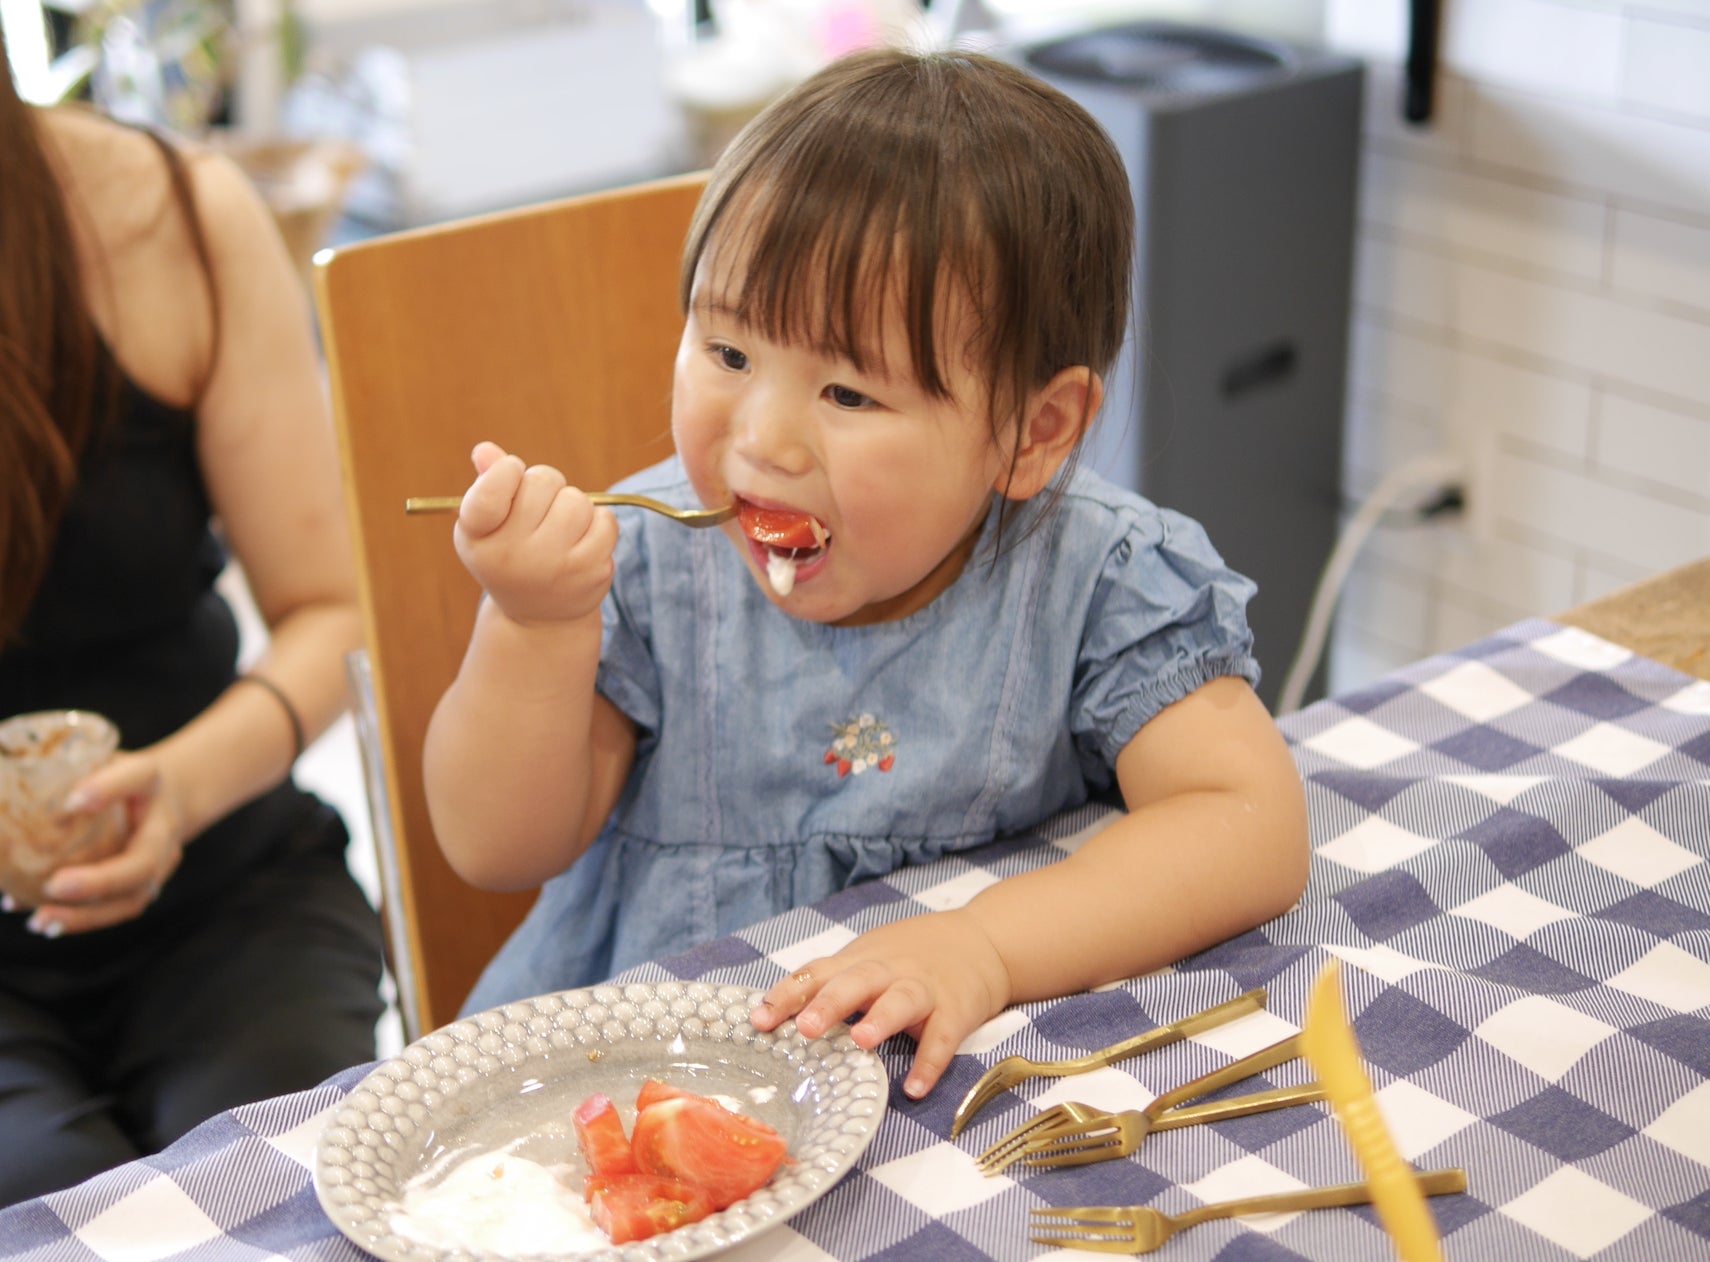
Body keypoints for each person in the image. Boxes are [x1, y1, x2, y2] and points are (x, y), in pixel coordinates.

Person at [424, 46, 1309, 1101]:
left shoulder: (1092, 578)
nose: (763, 439)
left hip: (942, 1100)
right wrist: (533, 625)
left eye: (846, 393)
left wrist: (984, 944)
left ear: (1035, 430)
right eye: (728, 353)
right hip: (638, 1088)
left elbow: (1247, 822)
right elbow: (495, 845)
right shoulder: (646, 564)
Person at [0, 29, 385, 1205]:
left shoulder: (174, 215)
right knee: (57, 1207)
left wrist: (176, 789)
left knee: (282, 1192)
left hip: (225, 886)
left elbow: (331, 606)